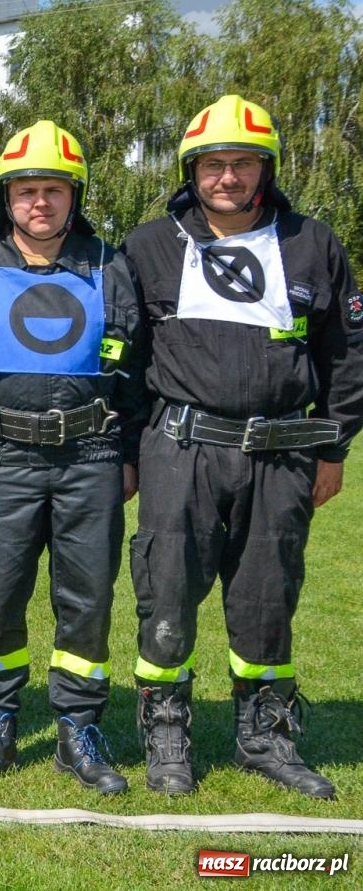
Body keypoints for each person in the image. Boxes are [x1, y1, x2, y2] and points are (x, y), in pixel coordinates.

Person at [121, 94, 363, 799]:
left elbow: (346, 357)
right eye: (213, 164)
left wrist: (333, 448)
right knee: (166, 590)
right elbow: (124, 359)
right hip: (180, 450)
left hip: (283, 454)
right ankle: (166, 730)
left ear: (267, 168)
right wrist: (134, 452)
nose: (227, 177)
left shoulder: (313, 243)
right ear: (191, 170)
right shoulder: (149, 246)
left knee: (266, 595)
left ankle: (266, 736)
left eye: (243, 163)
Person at [0, 120, 142, 795]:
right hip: (2, 456)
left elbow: (136, 366)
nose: (39, 203)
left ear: (73, 195)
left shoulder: (110, 265)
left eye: (52, 189)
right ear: (6, 197)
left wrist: (128, 452)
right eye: (25, 190)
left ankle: (79, 727)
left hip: (92, 456)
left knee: (87, 600)